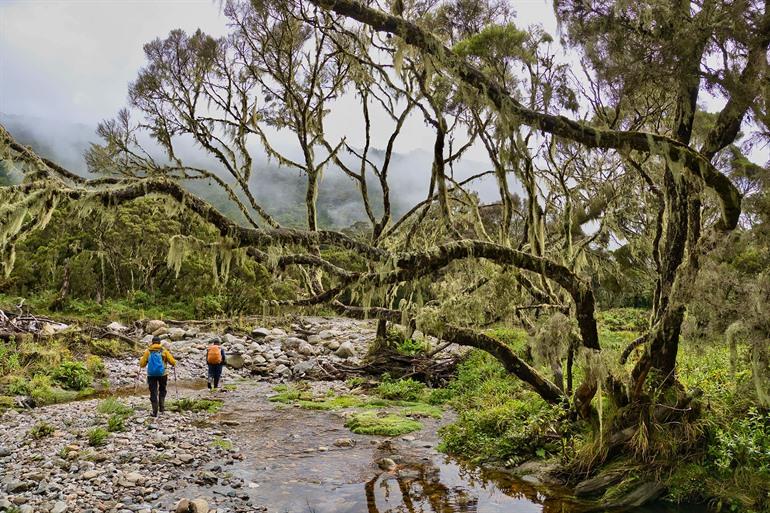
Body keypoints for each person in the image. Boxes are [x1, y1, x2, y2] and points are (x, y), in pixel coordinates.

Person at [139, 336, 177, 417]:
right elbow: (173, 362)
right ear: (159, 343)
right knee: (162, 390)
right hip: (163, 374)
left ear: (152, 342)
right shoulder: (164, 351)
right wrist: (172, 363)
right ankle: (162, 409)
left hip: (151, 375)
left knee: (153, 392)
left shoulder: (148, 351)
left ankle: (154, 412)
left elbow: (142, 364)